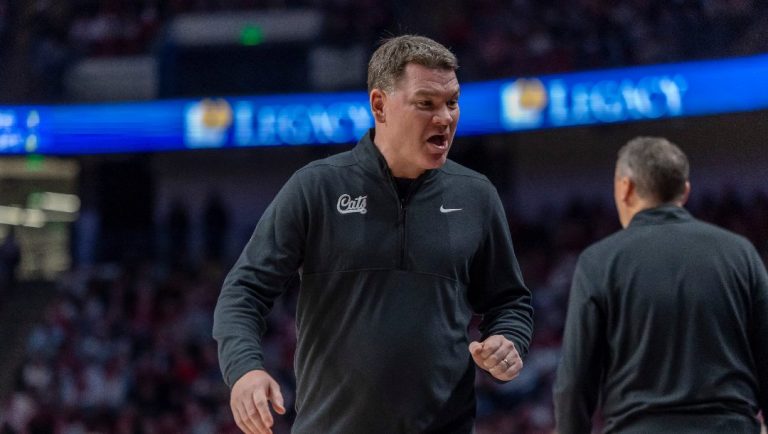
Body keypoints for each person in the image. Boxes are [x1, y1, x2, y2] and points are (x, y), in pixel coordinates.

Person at [213, 35, 534, 434]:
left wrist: (508, 339)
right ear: (380, 105)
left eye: (452, 102)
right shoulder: (316, 187)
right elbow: (243, 292)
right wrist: (244, 370)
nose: (445, 118)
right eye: (426, 104)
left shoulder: (476, 194)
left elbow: (510, 301)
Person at [553, 137, 768, 433]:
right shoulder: (740, 253)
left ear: (625, 188)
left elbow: (574, 381)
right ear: (685, 191)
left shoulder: (599, 261)